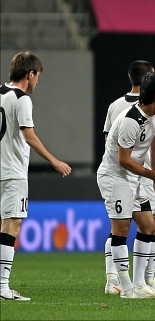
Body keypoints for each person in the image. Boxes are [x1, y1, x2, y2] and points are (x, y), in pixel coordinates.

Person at [0, 51, 72, 301]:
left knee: (4, 224)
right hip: (12, 172)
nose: (38, 82)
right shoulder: (22, 99)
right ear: (30, 74)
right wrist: (55, 161)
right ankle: (2, 286)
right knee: (12, 224)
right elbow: (29, 136)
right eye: (38, 76)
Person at [97, 72, 155, 298]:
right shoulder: (131, 120)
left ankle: (140, 284)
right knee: (121, 230)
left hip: (134, 178)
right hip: (116, 177)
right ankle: (125, 286)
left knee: (148, 227)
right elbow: (123, 159)